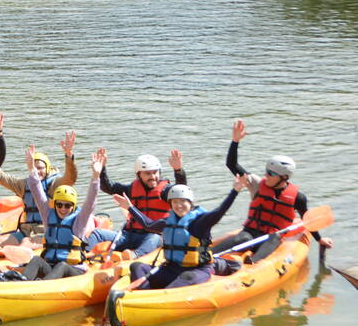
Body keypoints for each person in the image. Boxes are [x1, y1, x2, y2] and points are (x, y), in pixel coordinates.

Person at [210, 120, 333, 262]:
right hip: (250, 233)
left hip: (271, 238)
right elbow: (231, 164)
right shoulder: (257, 184)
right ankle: (208, 256)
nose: (266, 175)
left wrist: (319, 239)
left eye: (271, 173)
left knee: (274, 237)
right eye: (266, 171)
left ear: (284, 177)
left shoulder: (298, 198)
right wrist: (235, 141)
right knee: (241, 238)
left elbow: (307, 220)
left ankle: (253, 262)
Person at [0, 146, 108, 281]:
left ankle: (41, 286)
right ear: (55, 204)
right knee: (37, 260)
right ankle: (20, 282)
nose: (63, 208)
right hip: (52, 267)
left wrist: (96, 176)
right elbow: (37, 192)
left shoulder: (79, 221)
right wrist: (31, 169)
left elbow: (91, 202)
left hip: (73, 269)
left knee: (62, 266)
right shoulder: (48, 215)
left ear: (73, 206)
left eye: (67, 205)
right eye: (59, 204)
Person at [114, 176, 246, 289]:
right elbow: (148, 225)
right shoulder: (168, 222)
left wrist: (234, 191)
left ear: (190, 202)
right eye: (175, 202)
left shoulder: (200, 222)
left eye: (183, 201)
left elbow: (219, 212)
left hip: (196, 270)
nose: (178, 205)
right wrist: (130, 207)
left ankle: (162, 298)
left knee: (186, 276)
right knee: (137, 266)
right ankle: (143, 295)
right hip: (171, 269)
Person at [0, 131, 79, 245]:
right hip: (26, 231)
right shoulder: (24, 185)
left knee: (26, 243)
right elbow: (0, 176)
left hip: (46, 232)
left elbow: (70, 178)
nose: (37, 171)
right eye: (34, 167)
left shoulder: (55, 184)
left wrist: (69, 156)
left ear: (48, 168)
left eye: (40, 168)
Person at [99, 148, 187, 256]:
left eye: (155, 172)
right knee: (98, 234)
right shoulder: (131, 189)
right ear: (139, 175)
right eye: (148, 174)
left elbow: (181, 191)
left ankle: (134, 256)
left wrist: (178, 171)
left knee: (154, 238)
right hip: (129, 235)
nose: (153, 177)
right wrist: (102, 168)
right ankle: (84, 256)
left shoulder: (165, 191)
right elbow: (107, 187)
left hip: (153, 236)